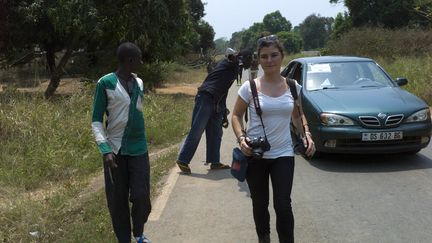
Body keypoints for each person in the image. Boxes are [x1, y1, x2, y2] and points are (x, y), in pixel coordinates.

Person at [231, 34, 315, 243]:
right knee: (260, 203)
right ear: (258, 60)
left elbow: (297, 114)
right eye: (264, 56)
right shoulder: (249, 87)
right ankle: (264, 238)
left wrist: (307, 135)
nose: (270, 60)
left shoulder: (293, 86)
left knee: (283, 205)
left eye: (274, 55)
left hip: (283, 153)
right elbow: (235, 115)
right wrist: (242, 139)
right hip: (255, 155)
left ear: (282, 57)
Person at [91, 42, 151, 243]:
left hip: (139, 148)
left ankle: (139, 233)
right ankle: (124, 239)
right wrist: (105, 149)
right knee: (118, 201)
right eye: (139, 59)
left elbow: (138, 111)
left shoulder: (140, 83)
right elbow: (96, 120)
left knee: (142, 197)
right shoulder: (105, 83)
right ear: (130, 60)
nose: (142, 62)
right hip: (115, 151)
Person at [176, 48, 253, 174]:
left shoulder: (234, 68)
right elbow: (230, 58)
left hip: (217, 101)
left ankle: (215, 161)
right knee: (197, 130)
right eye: (250, 59)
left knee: (216, 132)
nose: (252, 62)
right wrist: (235, 58)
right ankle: (183, 159)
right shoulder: (232, 62)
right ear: (244, 57)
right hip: (206, 97)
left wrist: (223, 112)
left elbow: (224, 88)